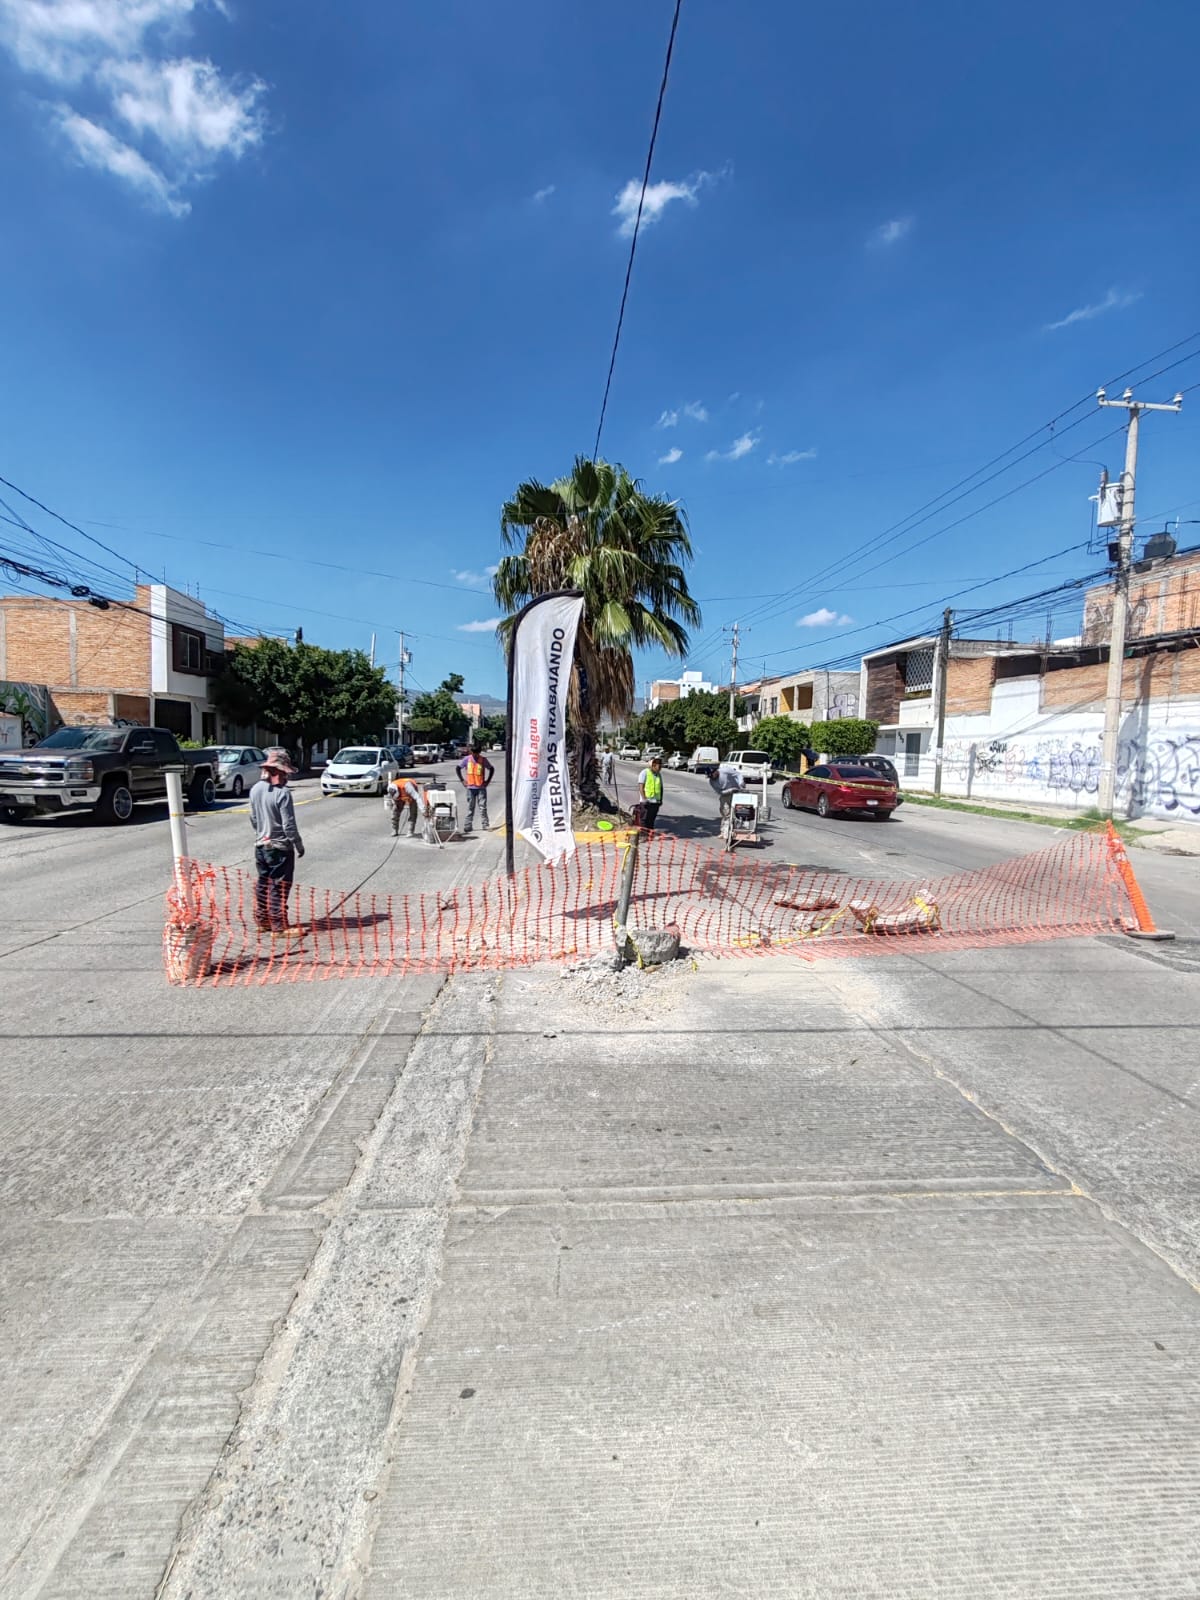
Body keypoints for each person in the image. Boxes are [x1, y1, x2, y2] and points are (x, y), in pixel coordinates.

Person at [249, 747, 305, 936]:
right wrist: (297, 843)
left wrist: (261, 833)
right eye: (284, 773)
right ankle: (278, 926)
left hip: (261, 845)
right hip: (280, 847)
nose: (286, 777)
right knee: (279, 886)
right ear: (279, 772)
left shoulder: (255, 789)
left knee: (264, 883)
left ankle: (263, 920)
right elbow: (288, 824)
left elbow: (253, 819)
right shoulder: (282, 793)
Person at [456, 742, 495, 833]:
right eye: (473, 753)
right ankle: (468, 825)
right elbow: (458, 768)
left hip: (481, 787)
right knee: (470, 807)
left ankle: (485, 825)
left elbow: (491, 769)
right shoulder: (467, 759)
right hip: (470, 787)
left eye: (477, 753)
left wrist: (488, 781)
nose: (475, 755)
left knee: (482, 807)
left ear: (479, 752)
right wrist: (462, 780)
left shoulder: (483, 760)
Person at [385, 771, 426, 838]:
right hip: (401, 797)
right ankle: (394, 830)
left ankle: (410, 831)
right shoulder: (390, 788)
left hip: (411, 796)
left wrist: (423, 810)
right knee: (394, 812)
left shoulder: (408, 787)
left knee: (413, 812)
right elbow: (392, 799)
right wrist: (393, 803)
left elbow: (417, 797)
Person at [710, 760, 746, 824]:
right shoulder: (712, 782)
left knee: (739, 807)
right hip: (726, 793)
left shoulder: (725, 770)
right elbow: (719, 792)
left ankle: (740, 821)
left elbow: (738, 774)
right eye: (710, 777)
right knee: (724, 808)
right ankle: (727, 822)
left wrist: (741, 782)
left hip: (737, 789)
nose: (712, 778)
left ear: (715, 771)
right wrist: (730, 790)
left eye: (712, 775)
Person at [636, 755, 664, 831]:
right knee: (644, 819)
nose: (660, 769)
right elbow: (641, 786)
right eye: (659, 767)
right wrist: (644, 799)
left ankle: (650, 835)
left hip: (655, 802)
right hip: (646, 801)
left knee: (651, 820)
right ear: (653, 766)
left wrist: (661, 800)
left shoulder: (658, 775)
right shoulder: (644, 772)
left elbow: (661, 788)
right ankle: (644, 835)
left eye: (661, 767)